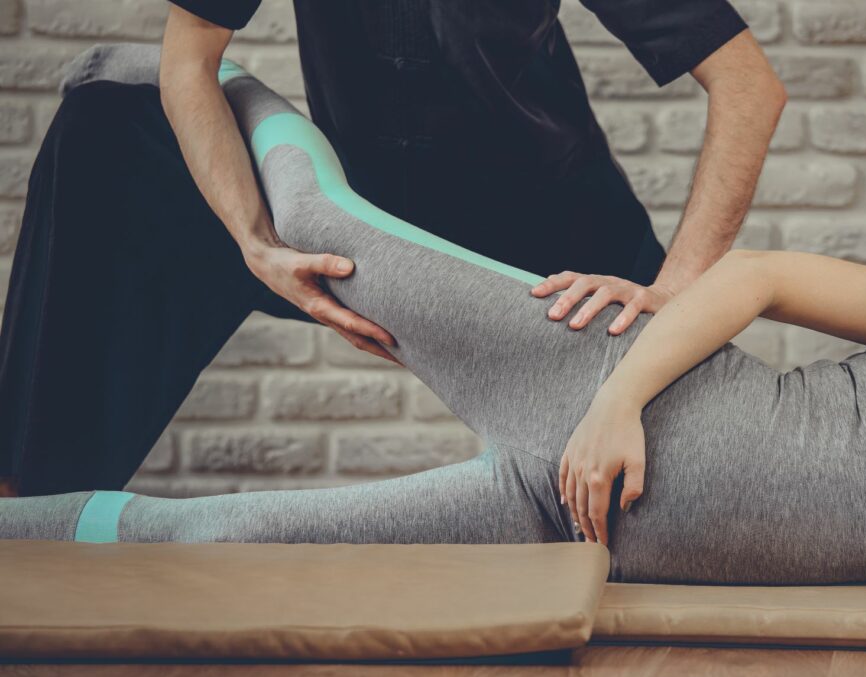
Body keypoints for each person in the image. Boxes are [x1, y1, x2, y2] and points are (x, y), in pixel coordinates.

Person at [3, 50, 866, 589]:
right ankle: (209, 80)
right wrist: (618, 400)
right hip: (591, 381)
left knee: (218, 536)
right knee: (318, 227)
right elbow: (753, 277)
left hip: (574, 526)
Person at [0, 0, 785, 497]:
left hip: (548, 256)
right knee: (104, 133)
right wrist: (256, 242)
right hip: (367, 243)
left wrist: (674, 293)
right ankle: (28, 510)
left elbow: (750, 86)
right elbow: (186, 64)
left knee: (675, 488)